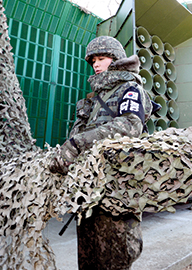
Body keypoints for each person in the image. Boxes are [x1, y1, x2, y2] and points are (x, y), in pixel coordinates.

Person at [50, 35, 153, 270]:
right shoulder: (93, 100)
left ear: (115, 60)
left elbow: (130, 126)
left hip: (117, 189)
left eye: (102, 58)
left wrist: (78, 143)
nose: (96, 64)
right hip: (89, 191)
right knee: (89, 258)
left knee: (115, 257)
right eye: (93, 60)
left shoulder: (130, 88)